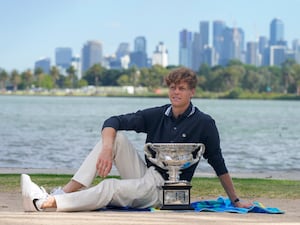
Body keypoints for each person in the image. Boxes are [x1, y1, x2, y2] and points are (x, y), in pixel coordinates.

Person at [21, 67, 252, 212]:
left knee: (110, 186)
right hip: (145, 176)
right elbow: (113, 120)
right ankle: (65, 192)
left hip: (163, 188)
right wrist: (107, 149)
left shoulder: (204, 123)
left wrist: (236, 200)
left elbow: (219, 163)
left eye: (181, 88)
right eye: (172, 87)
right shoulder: (158, 114)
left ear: (192, 92)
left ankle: (47, 203)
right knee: (117, 138)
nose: (175, 92)